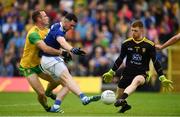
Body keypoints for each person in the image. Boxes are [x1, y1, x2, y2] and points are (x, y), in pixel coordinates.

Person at [102, 20, 173, 113]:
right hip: (127, 72)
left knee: (136, 81)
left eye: (135, 30)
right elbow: (120, 59)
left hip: (142, 73)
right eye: (132, 30)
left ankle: (123, 98)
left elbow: (155, 62)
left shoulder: (149, 45)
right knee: (117, 97)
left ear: (142, 30)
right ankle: (125, 105)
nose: (133, 33)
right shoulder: (126, 43)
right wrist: (111, 72)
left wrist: (162, 77)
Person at [40, 13, 100, 113]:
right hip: (49, 59)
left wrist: (65, 53)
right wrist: (72, 50)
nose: (72, 28)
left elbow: (56, 43)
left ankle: (55, 106)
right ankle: (83, 98)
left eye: (74, 26)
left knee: (67, 85)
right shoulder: (58, 30)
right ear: (65, 21)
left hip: (49, 58)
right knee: (68, 78)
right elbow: (62, 42)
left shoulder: (57, 26)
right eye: (71, 25)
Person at [19, 10, 71, 112]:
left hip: (40, 64)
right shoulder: (33, 33)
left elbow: (55, 45)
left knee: (56, 81)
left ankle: (49, 92)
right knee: (41, 93)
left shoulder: (47, 31)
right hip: (28, 67)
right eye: (45, 16)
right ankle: (47, 108)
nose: (47, 17)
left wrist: (65, 52)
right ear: (39, 19)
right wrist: (62, 53)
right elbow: (46, 49)